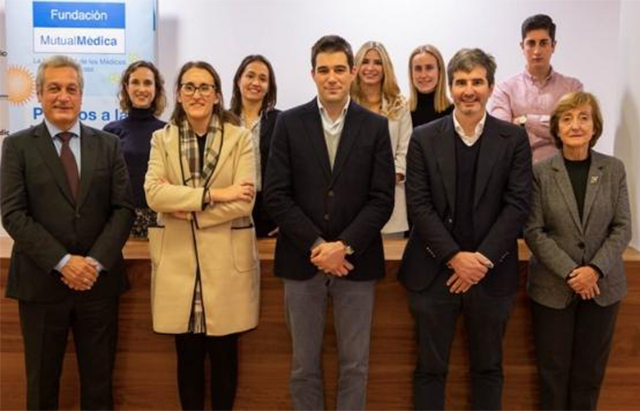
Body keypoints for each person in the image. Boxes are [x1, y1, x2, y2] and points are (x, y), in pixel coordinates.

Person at [264, 35, 395, 410]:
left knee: (355, 365)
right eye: (324, 70)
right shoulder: (289, 123)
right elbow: (276, 194)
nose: (332, 77)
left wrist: (344, 246)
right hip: (301, 259)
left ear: (353, 73)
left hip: (357, 261)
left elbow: (381, 198)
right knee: (303, 367)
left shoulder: (375, 126)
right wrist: (319, 245)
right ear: (313, 75)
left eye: (339, 69)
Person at [399, 48, 532, 410]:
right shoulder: (424, 137)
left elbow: (518, 205)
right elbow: (419, 206)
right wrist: (455, 258)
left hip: (491, 274)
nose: (468, 90)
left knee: (488, 369)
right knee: (430, 369)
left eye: (477, 82)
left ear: (490, 87)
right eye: (461, 82)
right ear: (451, 87)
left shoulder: (513, 139)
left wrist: (481, 260)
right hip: (433, 273)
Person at [0, 55, 134, 410]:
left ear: (81, 96)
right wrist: (63, 262)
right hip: (40, 284)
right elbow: (13, 214)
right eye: (54, 88)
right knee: (42, 387)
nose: (63, 96)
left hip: (97, 284)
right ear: (39, 94)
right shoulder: (17, 146)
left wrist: (93, 263)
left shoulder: (108, 144)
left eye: (71, 89)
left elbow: (123, 209)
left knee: (99, 386)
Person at [144, 61, 259, 410]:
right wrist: (215, 195)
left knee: (225, 358)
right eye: (189, 87)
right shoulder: (161, 139)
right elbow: (154, 194)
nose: (197, 94)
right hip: (179, 265)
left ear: (217, 96)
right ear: (179, 95)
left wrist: (186, 208)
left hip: (226, 265)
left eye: (205, 87)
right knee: (188, 359)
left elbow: (245, 201)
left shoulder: (240, 138)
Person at [524, 92, 631, 410]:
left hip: (602, 288)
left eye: (584, 118)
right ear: (556, 128)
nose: (575, 125)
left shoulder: (613, 169)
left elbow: (622, 227)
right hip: (553, 288)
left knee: (589, 376)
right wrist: (573, 273)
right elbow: (533, 231)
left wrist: (594, 270)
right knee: (552, 375)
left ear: (594, 126)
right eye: (567, 119)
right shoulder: (540, 172)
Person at [489, 14, 583, 163]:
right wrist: (554, 128)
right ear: (522, 47)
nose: (537, 51)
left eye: (543, 43)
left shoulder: (573, 87)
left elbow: (574, 130)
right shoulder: (504, 89)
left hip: (562, 169)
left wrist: (525, 121)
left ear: (553, 46)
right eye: (531, 43)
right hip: (518, 169)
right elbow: (501, 136)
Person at [351, 41, 410, 236]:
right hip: (351, 201)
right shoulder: (345, 104)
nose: (371, 68)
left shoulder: (399, 105)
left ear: (386, 68)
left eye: (377, 62)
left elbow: (405, 150)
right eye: (365, 61)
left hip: (390, 199)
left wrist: (385, 180)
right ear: (356, 67)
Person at [104, 60, 167, 238]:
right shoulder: (110, 131)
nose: (141, 89)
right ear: (126, 87)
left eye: (147, 83)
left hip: (161, 218)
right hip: (122, 218)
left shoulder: (168, 131)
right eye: (135, 82)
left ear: (156, 89)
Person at [229, 54, 280, 237]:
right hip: (231, 208)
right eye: (250, 76)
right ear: (238, 80)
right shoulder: (223, 121)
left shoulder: (282, 121)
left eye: (263, 79)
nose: (256, 83)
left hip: (271, 211)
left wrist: (285, 219)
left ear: (269, 87)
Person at [408, 44, 453, 128]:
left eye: (429, 68)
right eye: (418, 69)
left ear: (440, 71)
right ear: (411, 73)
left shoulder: (454, 113)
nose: (423, 75)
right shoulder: (401, 113)